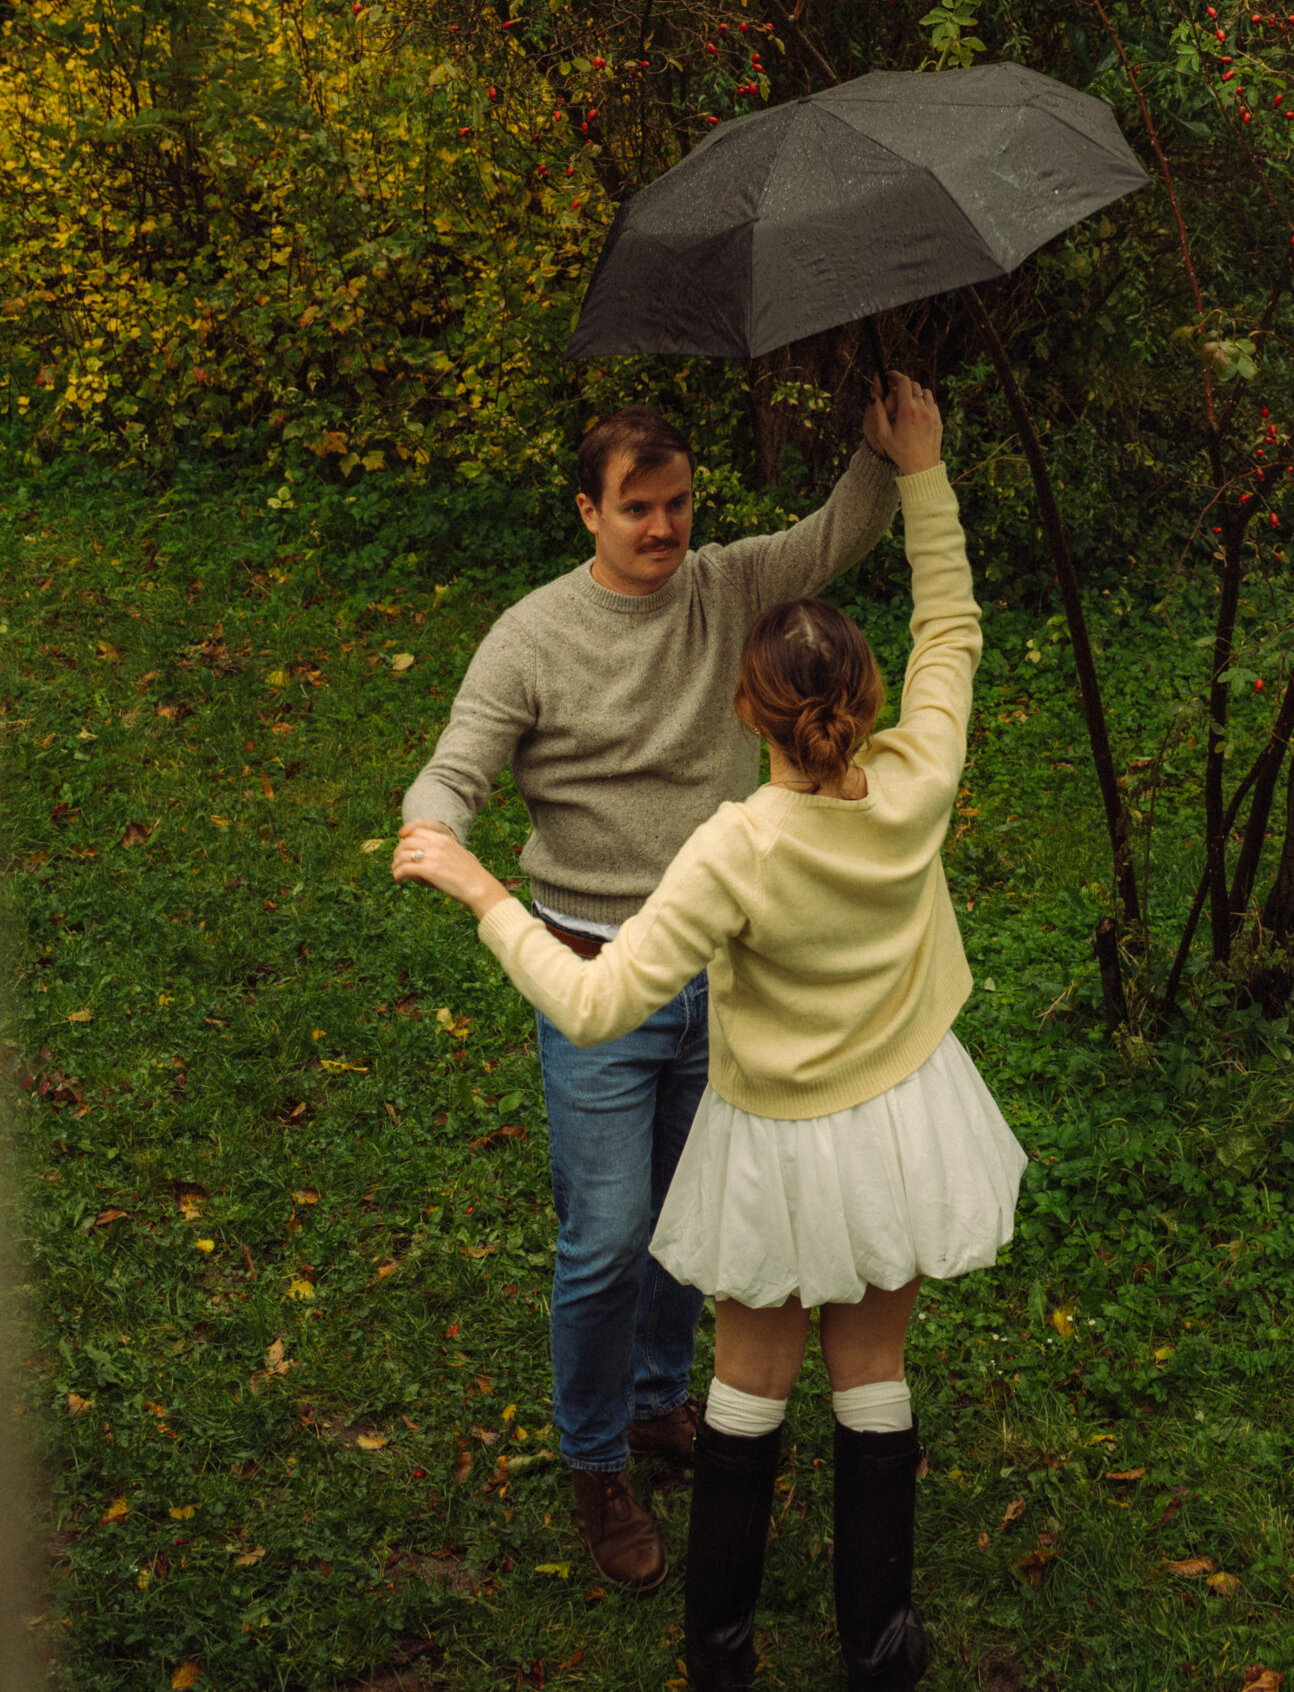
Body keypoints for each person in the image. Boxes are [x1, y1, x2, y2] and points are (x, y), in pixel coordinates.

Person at [394, 378, 1024, 1692]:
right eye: (640, 507)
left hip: (746, 1084)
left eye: (681, 504)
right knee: (826, 1351)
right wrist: (926, 466)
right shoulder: (914, 782)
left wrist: (476, 891)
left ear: (753, 709)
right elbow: (950, 626)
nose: (666, 527)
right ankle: (867, 1636)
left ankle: (718, 1643)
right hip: (893, 1114)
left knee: (746, 1369)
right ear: (589, 510)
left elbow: (591, 997)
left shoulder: (732, 850)